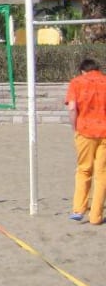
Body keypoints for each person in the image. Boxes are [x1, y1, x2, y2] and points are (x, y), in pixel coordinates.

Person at [64, 58, 106, 225]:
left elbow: (72, 107)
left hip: (85, 130)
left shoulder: (76, 82)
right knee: (102, 174)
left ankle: (79, 209)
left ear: (83, 71)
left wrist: (74, 126)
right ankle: (96, 216)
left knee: (84, 170)